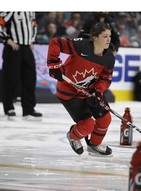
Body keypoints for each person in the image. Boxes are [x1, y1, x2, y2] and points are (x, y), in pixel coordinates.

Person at [47, 22, 115, 156]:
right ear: (95, 37)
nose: (108, 40)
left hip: (89, 93)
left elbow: (105, 79)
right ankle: (73, 136)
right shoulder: (81, 46)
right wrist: (54, 64)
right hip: (69, 93)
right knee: (87, 125)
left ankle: (94, 145)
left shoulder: (108, 58)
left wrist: (98, 92)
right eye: (105, 36)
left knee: (105, 119)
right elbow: (55, 42)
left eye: (110, 36)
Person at [0, 12, 42, 120]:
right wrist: (7, 40)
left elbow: (34, 25)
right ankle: (9, 107)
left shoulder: (31, 11)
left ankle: (29, 110)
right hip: (14, 47)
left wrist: (32, 41)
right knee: (11, 78)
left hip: (27, 47)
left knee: (30, 79)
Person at [78, 12, 119, 102]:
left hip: (106, 51)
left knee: (103, 72)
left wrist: (114, 50)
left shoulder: (111, 21)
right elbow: (82, 36)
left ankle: (98, 90)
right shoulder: (90, 20)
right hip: (91, 51)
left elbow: (116, 38)